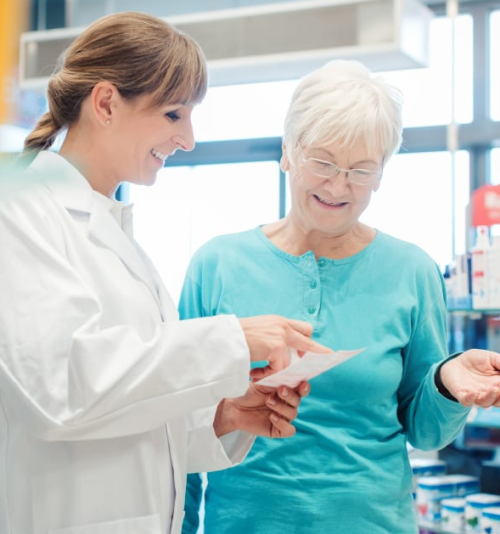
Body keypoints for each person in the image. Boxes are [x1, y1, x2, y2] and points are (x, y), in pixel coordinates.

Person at [0, 12, 332, 534]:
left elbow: (127, 417)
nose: (189, 139)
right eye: (174, 114)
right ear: (106, 103)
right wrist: (232, 341)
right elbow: (62, 388)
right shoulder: (20, 212)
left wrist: (221, 416)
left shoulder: (115, 236)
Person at [180, 59, 500, 534]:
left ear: (381, 174)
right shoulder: (217, 265)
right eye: (323, 162)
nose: (337, 186)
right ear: (288, 151)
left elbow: (426, 429)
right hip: (245, 522)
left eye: (360, 170)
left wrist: (447, 384)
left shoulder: (411, 270)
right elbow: (181, 423)